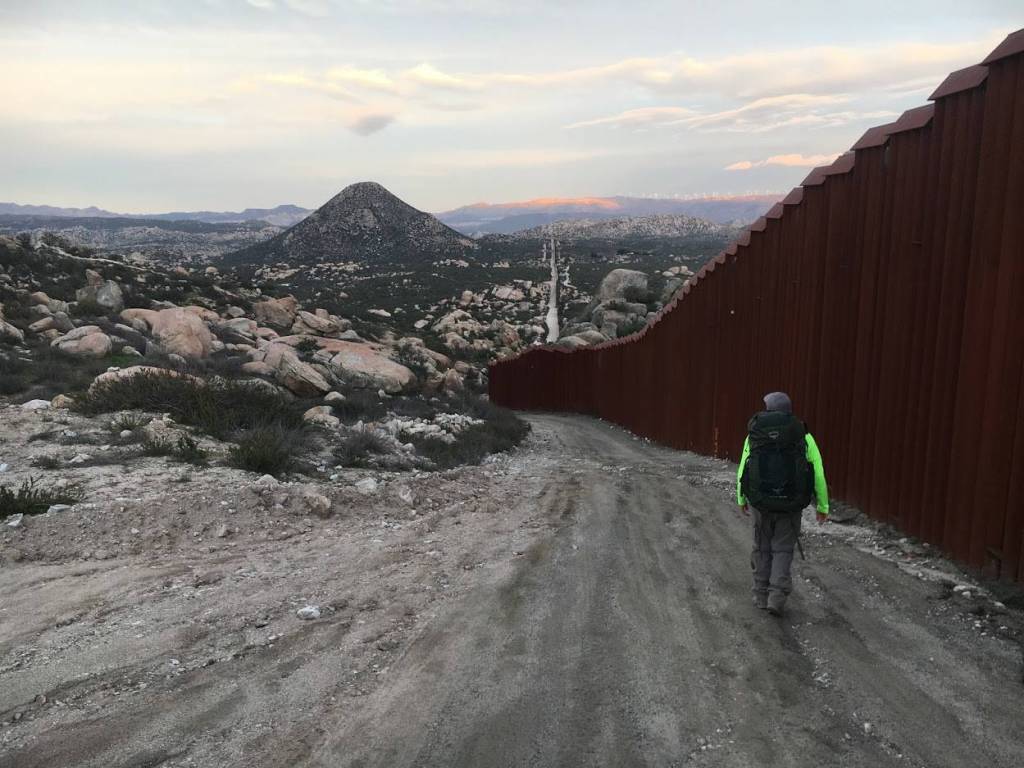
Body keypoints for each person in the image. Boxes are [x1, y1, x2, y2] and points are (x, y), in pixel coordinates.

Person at [736, 391, 828, 616]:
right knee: (783, 549)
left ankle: (760, 595)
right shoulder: (802, 435)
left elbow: (743, 467)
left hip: (761, 503)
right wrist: (822, 506)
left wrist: (741, 497)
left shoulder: (755, 434)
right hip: (790, 505)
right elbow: (817, 473)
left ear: (768, 409)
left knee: (761, 548)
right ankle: (776, 598)